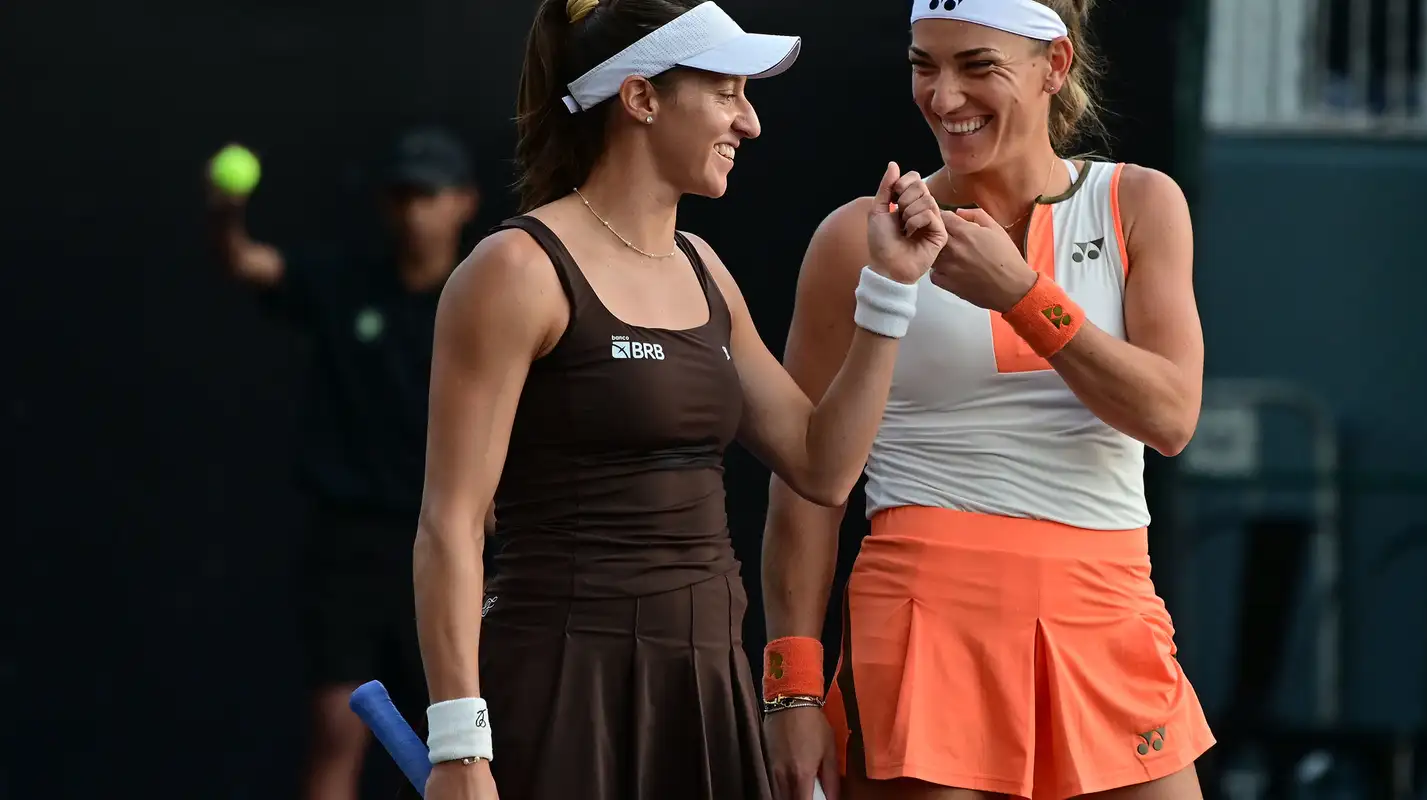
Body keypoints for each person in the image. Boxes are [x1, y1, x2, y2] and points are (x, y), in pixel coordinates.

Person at [409, 1, 947, 798]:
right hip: (559, 692)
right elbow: (450, 525)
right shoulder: (516, 270)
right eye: (726, 93)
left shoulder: (705, 269)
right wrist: (459, 747)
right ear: (640, 98)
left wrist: (891, 291)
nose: (750, 122)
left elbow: (823, 466)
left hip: (703, 688)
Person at [760, 0, 1211, 798]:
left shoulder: (1140, 203)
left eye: (977, 66)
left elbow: (1170, 417)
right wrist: (791, 689)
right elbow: (805, 484)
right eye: (923, 66)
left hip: (1110, 609)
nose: (943, 97)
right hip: (924, 618)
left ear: (1054, 66)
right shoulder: (858, 237)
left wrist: (1021, 294)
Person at [204, 127, 482, 800]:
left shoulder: (487, 298)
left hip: (450, 545)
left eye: (428, 195)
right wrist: (224, 212)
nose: (414, 212)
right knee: (336, 729)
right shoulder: (343, 283)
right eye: (402, 196)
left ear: (463, 203)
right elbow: (245, 261)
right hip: (349, 547)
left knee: (461, 743)